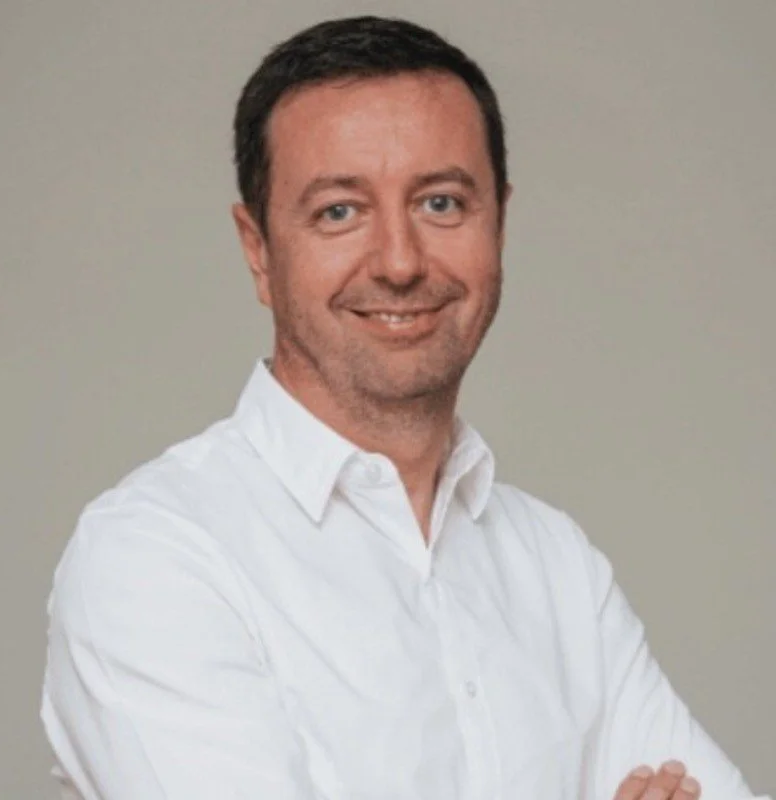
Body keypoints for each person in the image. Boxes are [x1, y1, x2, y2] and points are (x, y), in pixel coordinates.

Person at [41, 16, 770, 800]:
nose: (398, 262)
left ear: (500, 222)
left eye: (442, 203)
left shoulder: (556, 566)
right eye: (339, 212)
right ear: (258, 251)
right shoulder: (156, 558)